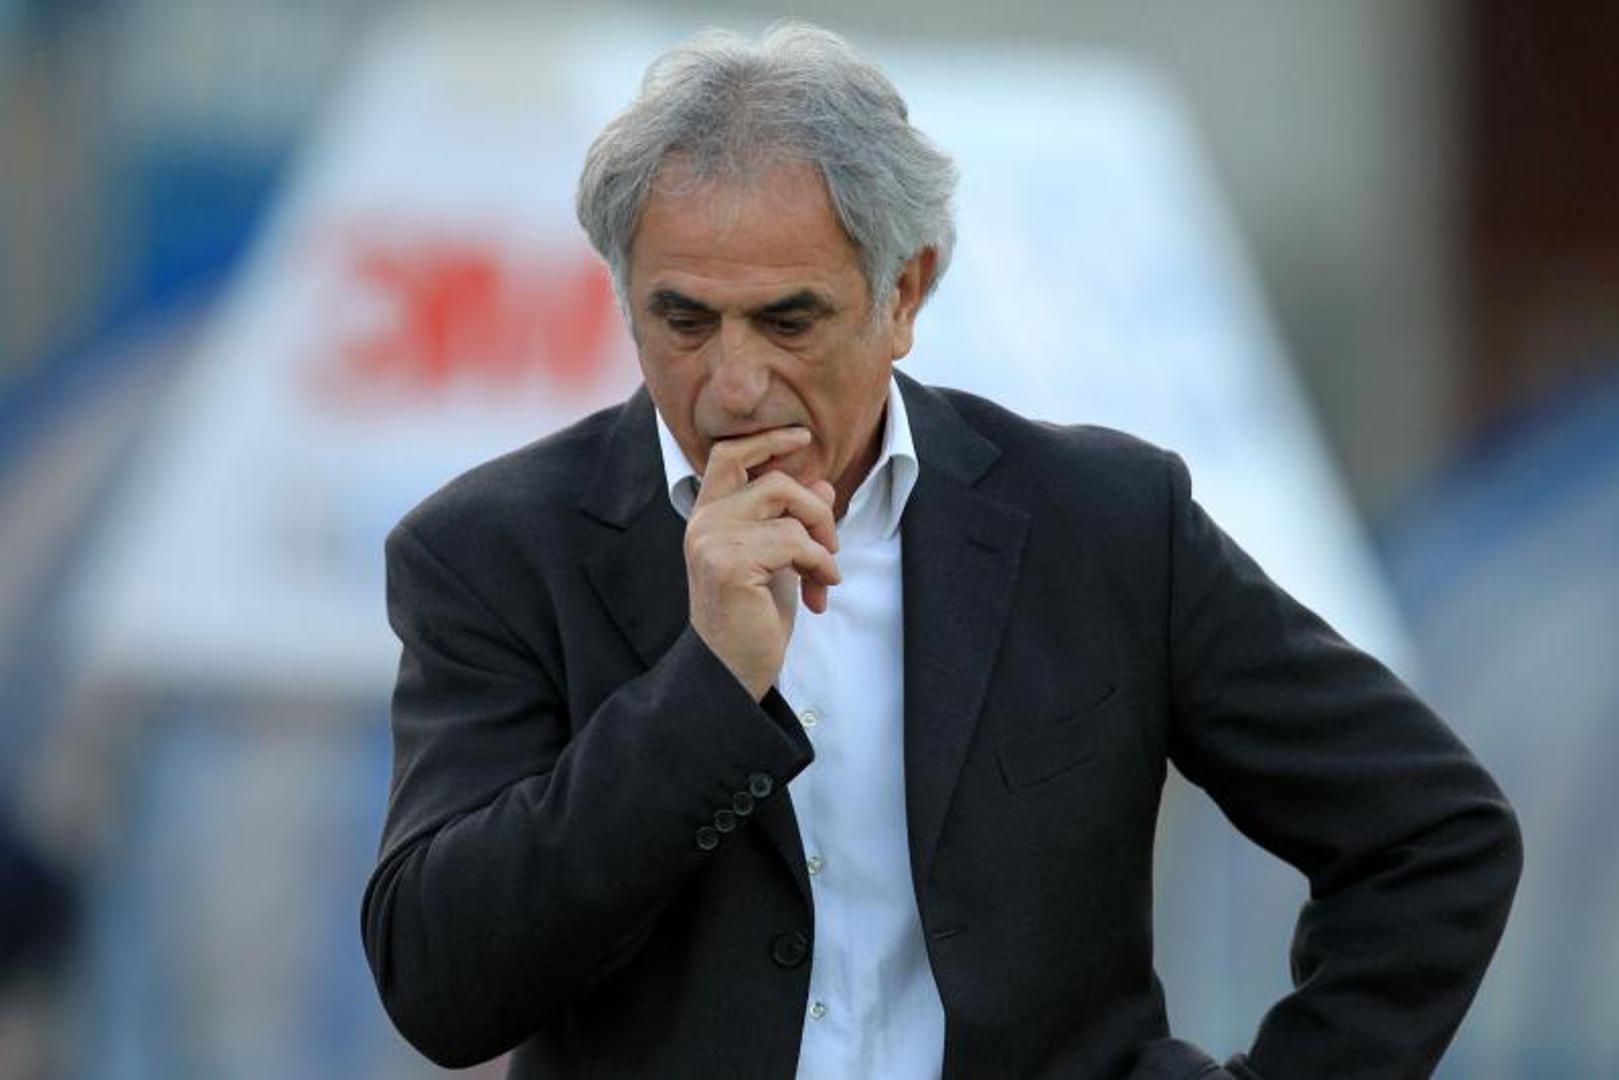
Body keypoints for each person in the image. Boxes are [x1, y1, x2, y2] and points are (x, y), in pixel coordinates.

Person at [361, 22, 1521, 1079]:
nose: (733, 383)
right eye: (683, 320)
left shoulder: (1102, 522)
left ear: (904, 293)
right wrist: (703, 692)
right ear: (625, 300)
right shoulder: (493, 552)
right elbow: (442, 986)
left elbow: (1431, 835)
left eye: (787, 319)